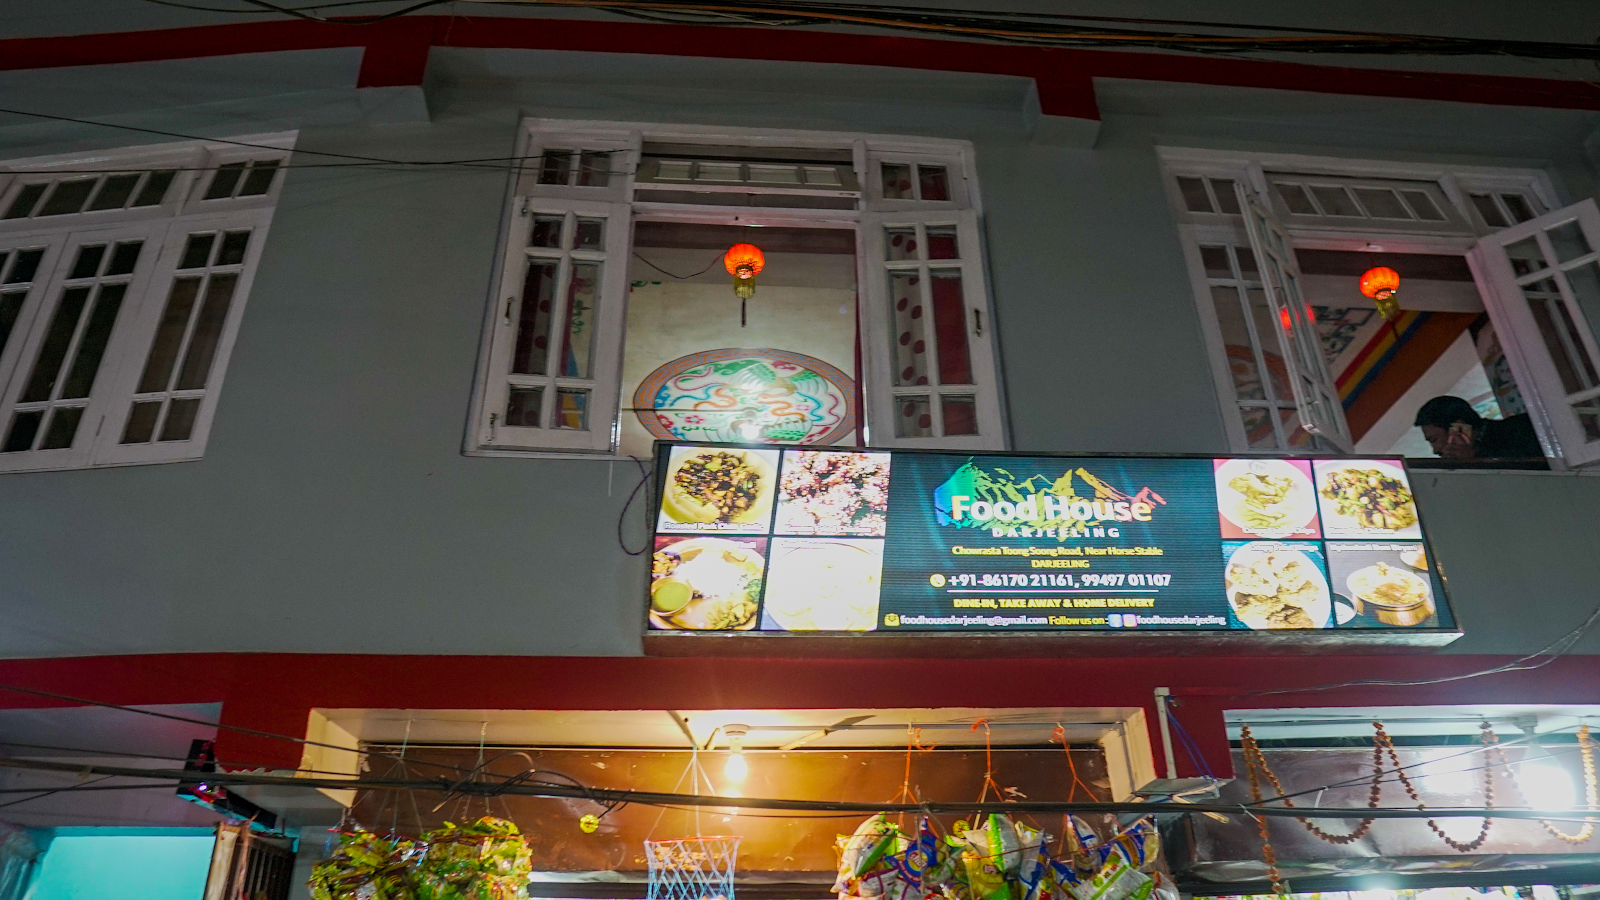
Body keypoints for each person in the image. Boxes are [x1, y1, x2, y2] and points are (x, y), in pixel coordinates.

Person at [1413, 395, 1544, 461]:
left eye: (1434, 440)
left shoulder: (1520, 430)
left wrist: (1475, 459)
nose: (1435, 450)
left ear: (1459, 429)